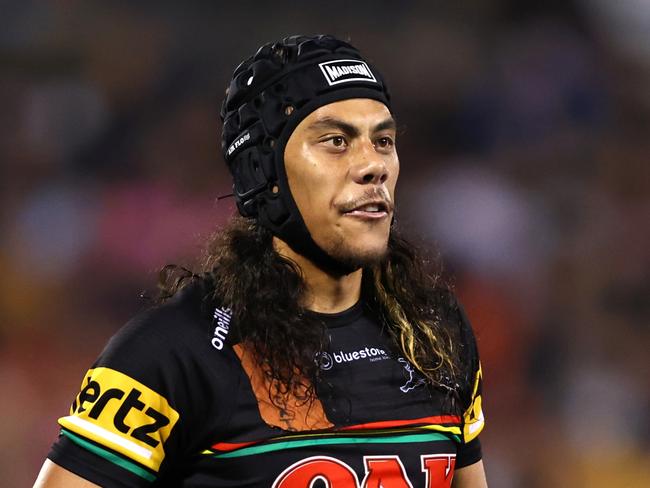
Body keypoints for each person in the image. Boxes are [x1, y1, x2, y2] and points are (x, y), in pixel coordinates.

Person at [34, 35, 487, 487]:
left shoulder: (434, 333)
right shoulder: (171, 354)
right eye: (335, 141)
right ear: (263, 172)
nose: (374, 166)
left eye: (383, 140)